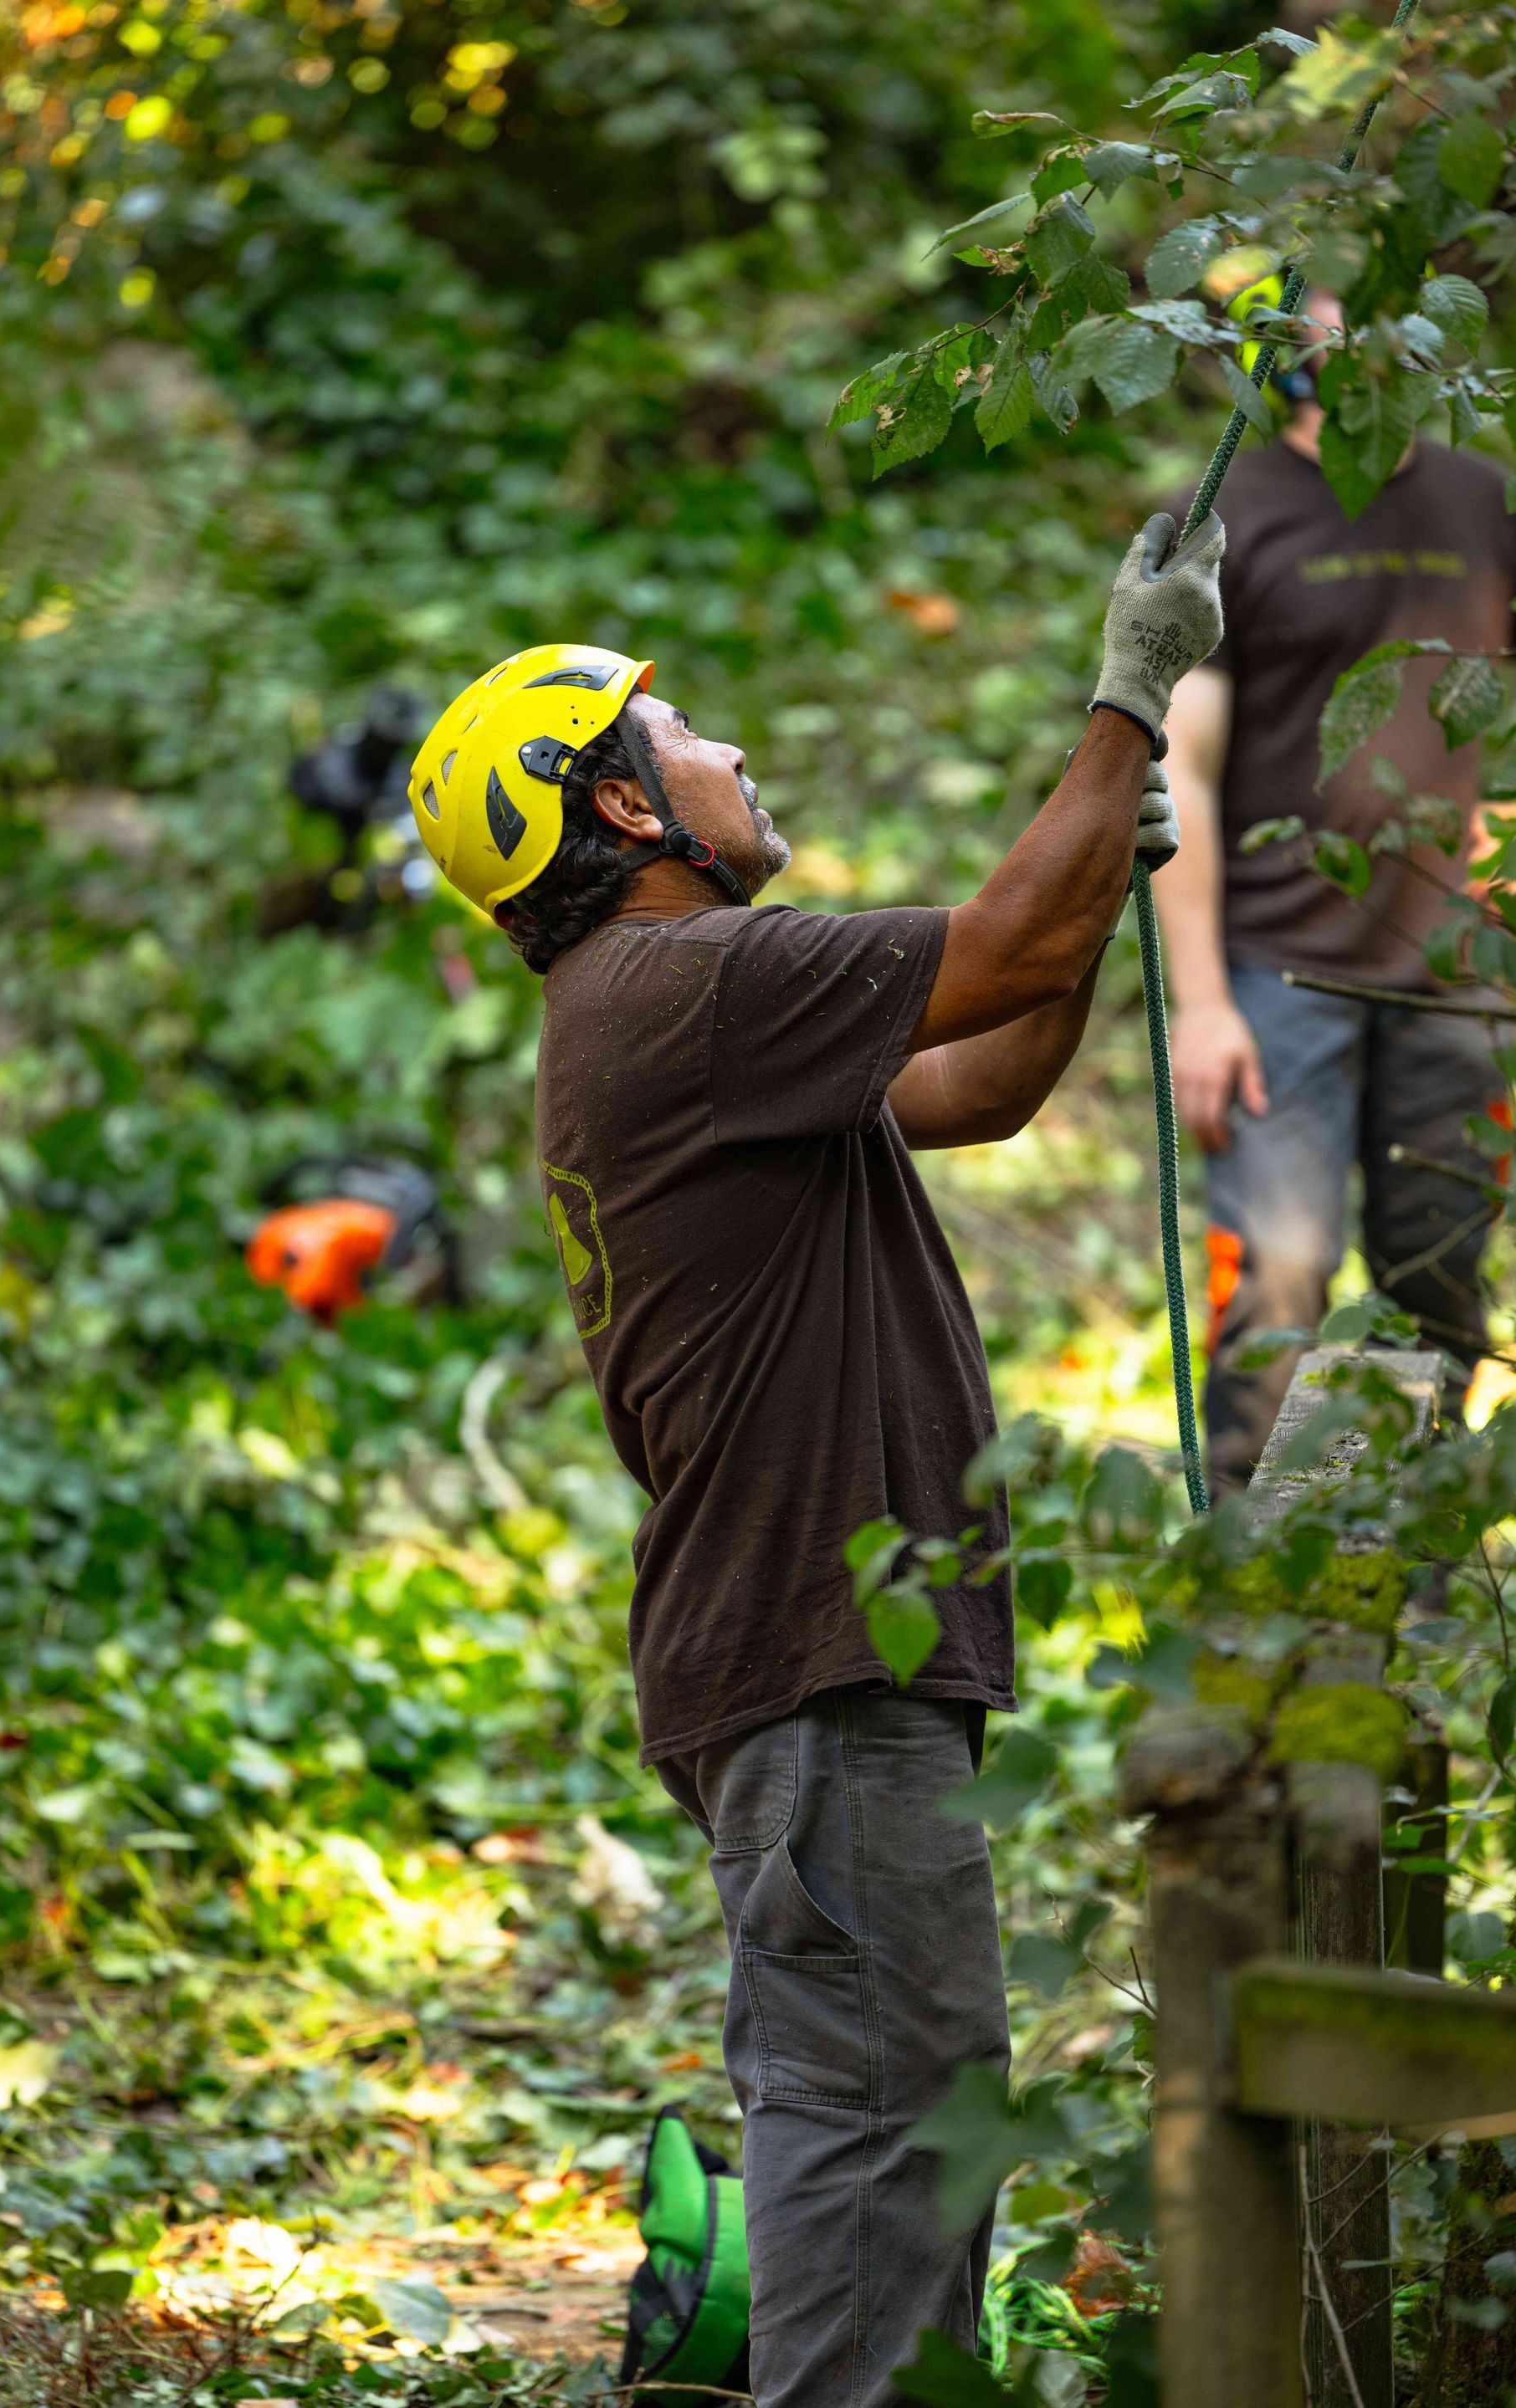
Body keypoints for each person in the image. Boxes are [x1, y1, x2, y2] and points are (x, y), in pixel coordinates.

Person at [405, 511, 1224, 2408]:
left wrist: (1094, 906)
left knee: (911, 2158)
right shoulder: (686, 995)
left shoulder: (681, 1020)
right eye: (678, 728)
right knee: (878, 2180)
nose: (729, 751)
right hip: (815, 1667)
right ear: (617, 813)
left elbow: (985, 1076)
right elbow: (1001, 937)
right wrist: (1127, 698)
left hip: (812, 1670)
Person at [1157, 294, 1516, 1493]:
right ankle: (1245, 1588)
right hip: (1281, 972)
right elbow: (1184, 769)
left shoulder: (1491, 503)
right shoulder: (1226, 515)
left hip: (1459, 976)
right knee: (1280, 1272)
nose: (1340, 351)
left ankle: (1424, 1584)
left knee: (1441, 1279)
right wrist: (1204, 1003)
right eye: (1310, 329)